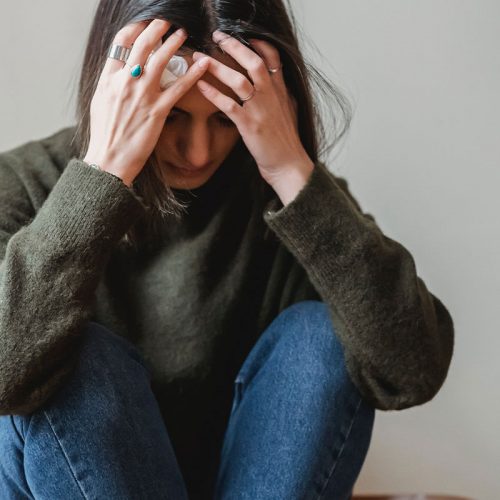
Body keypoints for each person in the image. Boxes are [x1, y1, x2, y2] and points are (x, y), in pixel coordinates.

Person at [0, 1, 454, 499]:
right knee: (69, 355)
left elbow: (412, 373)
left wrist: (291, 172)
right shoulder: (26, 184)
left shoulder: (291, 205)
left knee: (320, 338)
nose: (198, 152)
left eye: (224, 118)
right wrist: (103, 176)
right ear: (115, 92)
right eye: (171, 115)